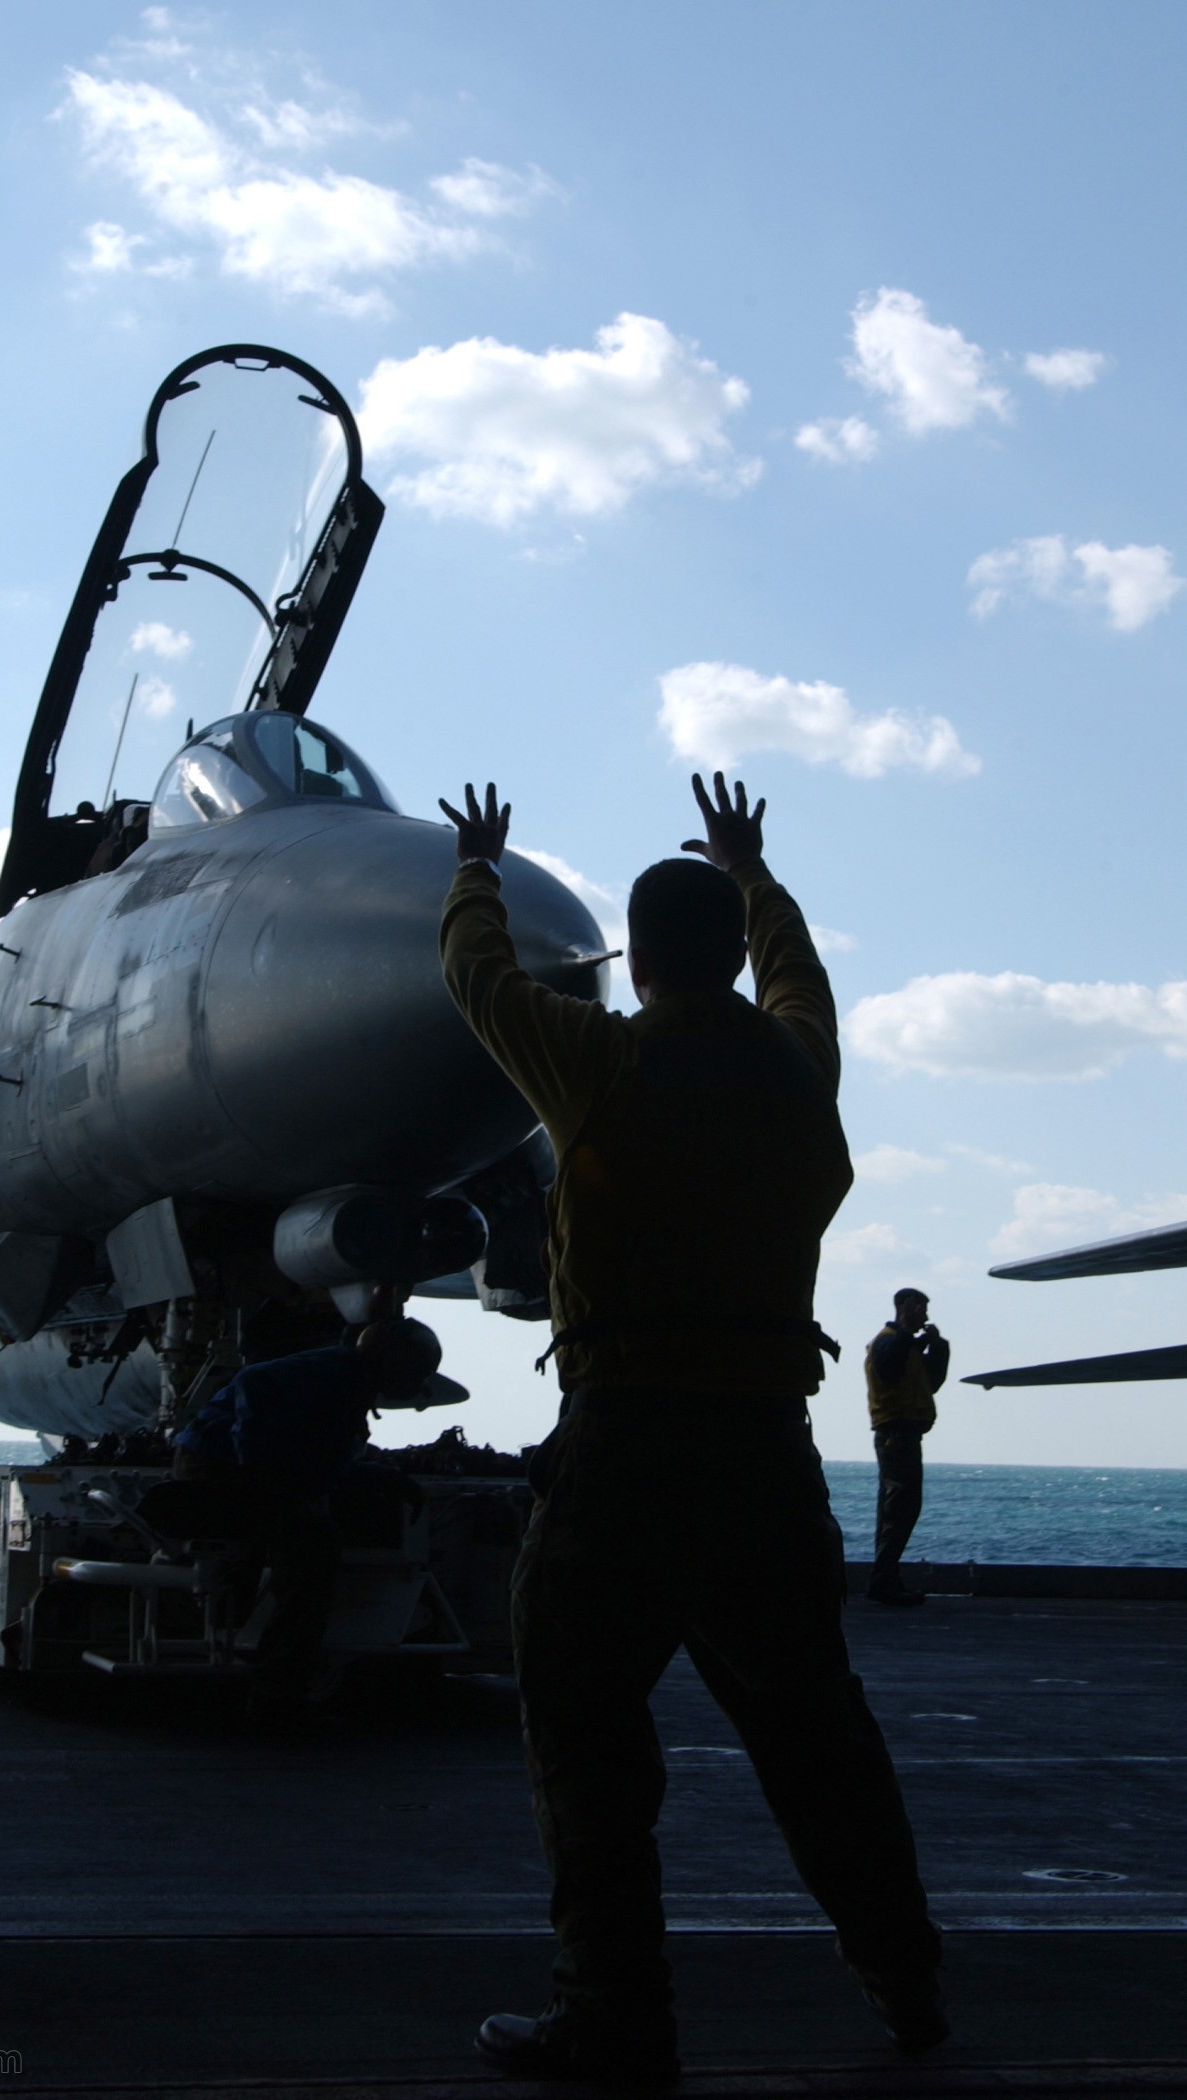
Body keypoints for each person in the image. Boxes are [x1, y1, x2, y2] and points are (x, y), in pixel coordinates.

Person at [437, 773, 944, 2087]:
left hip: (626, 1453)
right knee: (819, 1741)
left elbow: (479, 984)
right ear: (729, 953)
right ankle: (908, 1983)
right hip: (768, 1455)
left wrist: (476, 872)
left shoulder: (602, 1058)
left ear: (640, 963)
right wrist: (752, 869)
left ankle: (614, 2014)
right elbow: (801, 972)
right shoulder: (797, 1063)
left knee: (589, 1743)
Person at [137, 1318, 441, 1720]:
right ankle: (277, 1690)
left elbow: (322, 1457)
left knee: (297, 1548)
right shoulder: (331, 1373)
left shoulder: (348, 1382)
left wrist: (380, 1476)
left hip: (235, 1470)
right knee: (313, 1557)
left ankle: (252, 1645)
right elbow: (254, 1385)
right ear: (395, 1365)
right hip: (220, 1469)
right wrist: (259, 1469)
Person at [865, 1289, 949, 1607]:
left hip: (904, 1436)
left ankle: (885, 1578)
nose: (925, 1316)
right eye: (920, 1309)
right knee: (901, 1509)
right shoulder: (886, 1341)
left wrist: (936, 1346)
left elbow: (931, 1383)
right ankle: (883, 1581)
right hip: (895, 1435)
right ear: (904, 1308)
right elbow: (889, 1369)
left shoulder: (907, 1348)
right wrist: (906, 1332)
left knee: (893, 1510)